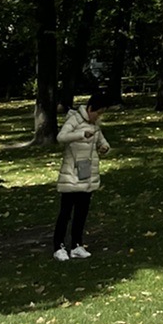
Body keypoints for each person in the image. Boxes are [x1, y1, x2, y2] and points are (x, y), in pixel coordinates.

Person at [53, 92, 110, 261]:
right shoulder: (74, 119)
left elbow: (102, 141)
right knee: (66, 211)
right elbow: (61, 137)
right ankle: (58, 246)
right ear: (90, 108)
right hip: (72, 172)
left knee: (82, 211)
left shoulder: (95, 124)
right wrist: (80, 135)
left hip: (87, 170)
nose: (98, 117)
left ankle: (77, 244)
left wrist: (105, 147)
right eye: (97, 113)